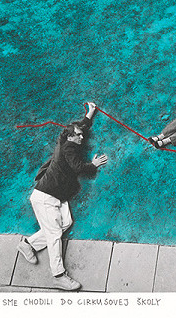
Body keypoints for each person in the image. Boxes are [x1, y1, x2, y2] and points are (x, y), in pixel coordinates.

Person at [16, 102, 108, 291]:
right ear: (70, 137)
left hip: (56, 195)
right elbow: (78, 167)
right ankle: (58, 276)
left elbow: (79, 127)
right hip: (46, 197)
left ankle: (28, 244)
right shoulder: (69, 149)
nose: (82, 137)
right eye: (78, 135)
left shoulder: (65, 138)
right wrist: (93, 165)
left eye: (81, 134)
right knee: (54, 235)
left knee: (65, 223)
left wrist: (90, 114)